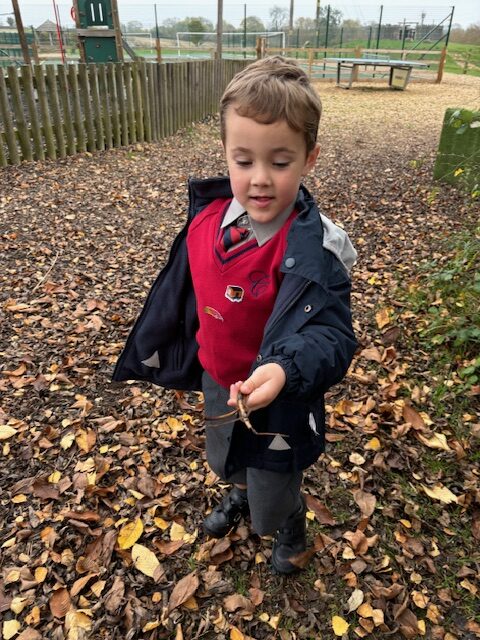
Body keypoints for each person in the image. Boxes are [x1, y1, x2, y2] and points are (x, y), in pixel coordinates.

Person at [113, 56, 357, 574]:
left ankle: (288, 527)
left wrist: (285, 369)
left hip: (279, 400)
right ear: (225, 153)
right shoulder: (206, 218)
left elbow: (332, 335)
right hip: (217, 378)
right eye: (244, 161)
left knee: (275, 478)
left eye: (281, 161)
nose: (261, 179)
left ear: (310, 158)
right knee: (225, 455)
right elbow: (189, 289)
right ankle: (238, 492)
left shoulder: (317, 251)